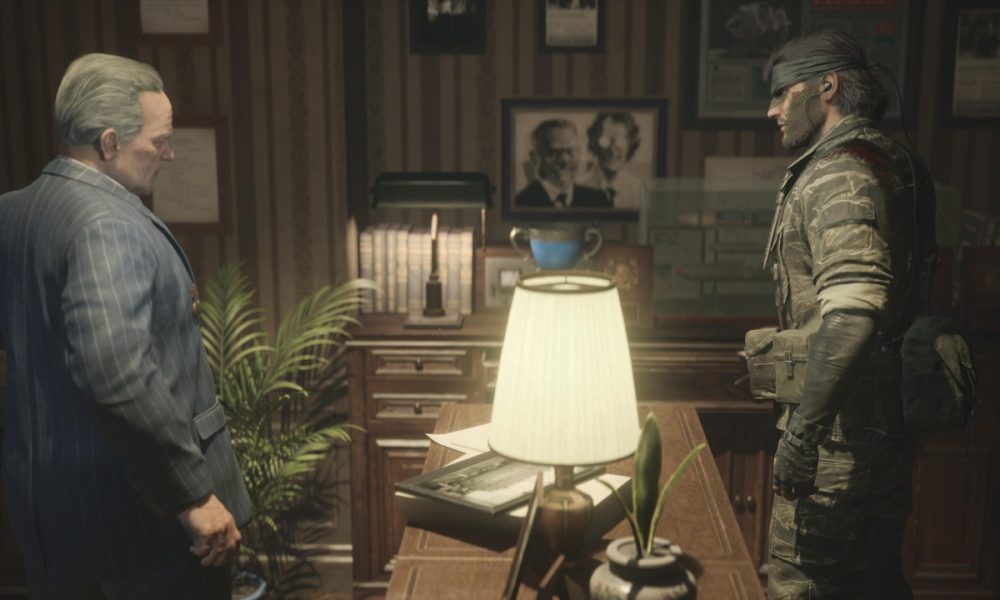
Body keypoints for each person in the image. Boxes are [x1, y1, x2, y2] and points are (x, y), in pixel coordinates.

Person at [0, 53, 251, 598]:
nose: (170, 153)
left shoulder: (12, 213)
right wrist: (193, 496)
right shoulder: (107, 224)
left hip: (51, 523)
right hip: (141, 530)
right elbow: (116, 371)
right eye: (159, 141)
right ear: (110, 143)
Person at [759, 31, 933, 598]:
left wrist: (801, 439)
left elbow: (854, 312)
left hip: (838, 447)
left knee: (802, 583)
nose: (773, 110)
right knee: (875, 582)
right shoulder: (895, 162)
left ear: (826, 87)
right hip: (886, 437)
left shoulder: (839, 173)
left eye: (783, 93)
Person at [515, 118, 610, 209]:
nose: (565, 160)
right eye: (554, 153)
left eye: (570, 151)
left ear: (579, 152)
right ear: (535, 158)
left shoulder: (599, 201)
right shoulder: (520, 203)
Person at [583, 112, 645, 209]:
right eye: (606, 139)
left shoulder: (639, 191)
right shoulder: (580, 187)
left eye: (621, 140)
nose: (612, 150)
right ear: (594, 142)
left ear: (630, 145)